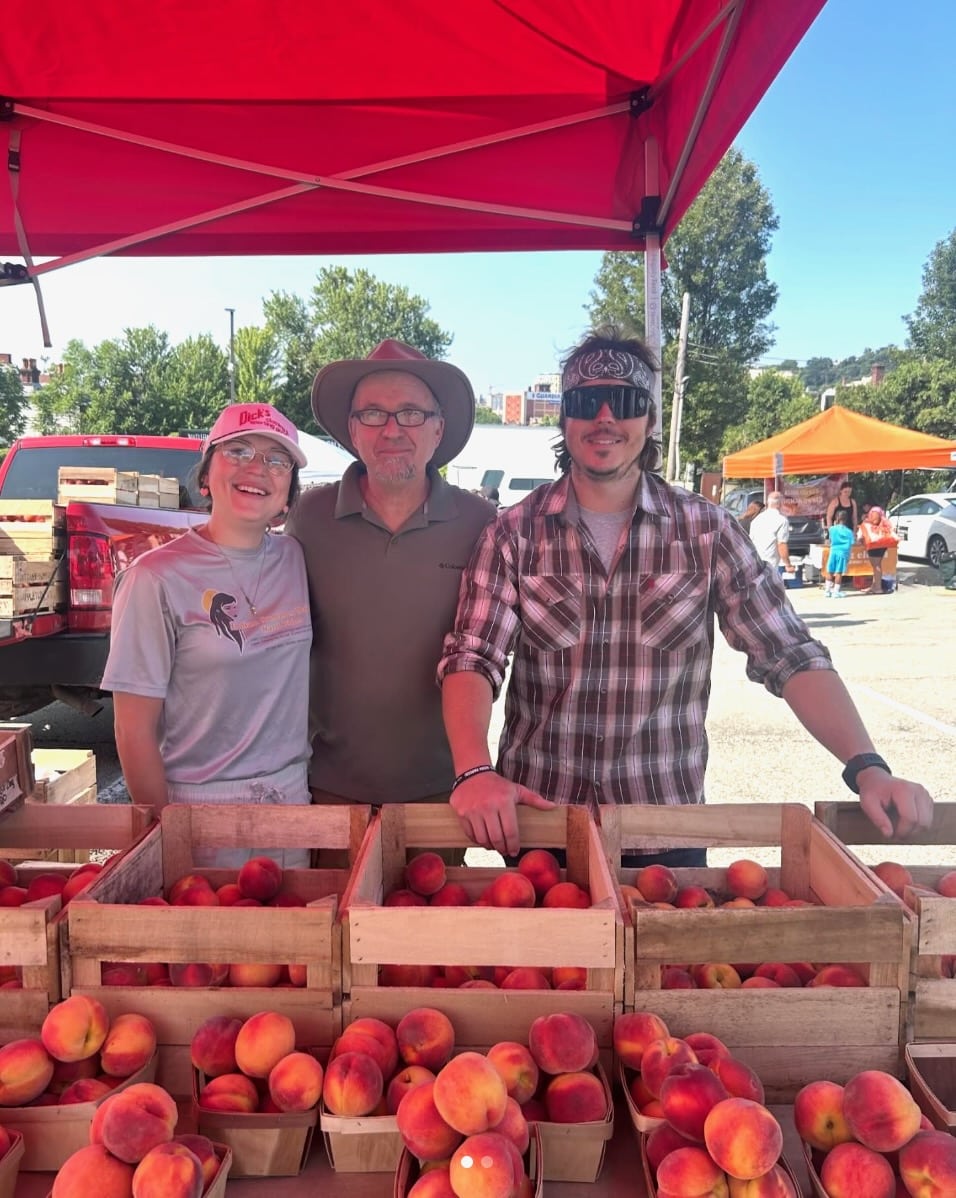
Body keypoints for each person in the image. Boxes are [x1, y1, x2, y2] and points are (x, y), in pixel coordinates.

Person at [437, 325, 934, 859]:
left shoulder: (708, 531)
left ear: (650, 419)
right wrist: (473, 770)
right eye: (587, 401)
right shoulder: (512, 533)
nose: (606, 417)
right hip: (542, 825)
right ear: (565, 417)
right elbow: (473, 655)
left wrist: (868, 767)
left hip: (665, 828)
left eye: (626, 401)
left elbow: (787, 653)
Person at [285, 340, 495, 810]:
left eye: (411, 414)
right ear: (352, 431)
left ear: (438, 430)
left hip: (441, 789)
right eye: (373, 414)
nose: (393, 429)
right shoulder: (308, 517)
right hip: (325, 786)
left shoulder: (479, 523)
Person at [102, 403, 313, 866]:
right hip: (200, 813)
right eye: (238, 450)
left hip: (291, 804)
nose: (257, 467)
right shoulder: (154, 579)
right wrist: (169, 835)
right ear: (206, 475)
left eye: (277, 460)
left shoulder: (297, 558)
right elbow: (132, 729)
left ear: (287, 497)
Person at [748, 491, 796, 573]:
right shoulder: (781, 520)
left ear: (768, 503)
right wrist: (788, 565)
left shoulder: (757, 519)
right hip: (770, 564)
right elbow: (781, 544)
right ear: (780, 504)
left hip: (755, 561)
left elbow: (750, 541)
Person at [858, 505, 899, 595]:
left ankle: (878, 587)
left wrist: (866, 520)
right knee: (876, 565)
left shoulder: (872, 516)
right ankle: (874, 586)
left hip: (875, 543)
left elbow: (874, 522)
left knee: (876, 566)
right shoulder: (882, 518)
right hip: (880, 543)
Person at [824, 510, 855, 598]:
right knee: (839, 572)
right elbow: (852, 543)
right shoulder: (849, 532)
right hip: (843, 552)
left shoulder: (832, 529)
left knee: (830, 571)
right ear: (846, 519)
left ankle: (827, 591)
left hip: (833, 551)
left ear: (837, 518)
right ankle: (836, 591)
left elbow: (830, 539)